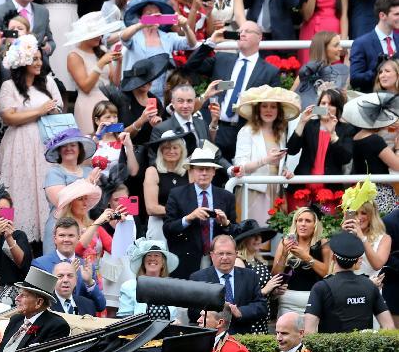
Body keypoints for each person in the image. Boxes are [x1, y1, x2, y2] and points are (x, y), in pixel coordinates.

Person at [0, 35, 63, 241]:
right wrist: (39, 111)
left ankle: (48, 235)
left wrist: (51, 111)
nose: (39, 63)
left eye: (39, 58)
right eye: (34, 59)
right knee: (21, 186)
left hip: (45, 142)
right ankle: (15, 237)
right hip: (19, 143)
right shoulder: (9, 86)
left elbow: (58, 109)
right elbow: (8, 116)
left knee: (45, 185)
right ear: (22, 62)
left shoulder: (49, 81)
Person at [182, 24, 280, 162]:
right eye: (240, 31)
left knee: (236, 176)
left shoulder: (270, 71)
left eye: (247, 31)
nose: (242, 34)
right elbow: (190, 66)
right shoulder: (222, 59)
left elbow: (273, 108)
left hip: (244, 130)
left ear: (260, 37)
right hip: (213, 127)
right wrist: (211, 42)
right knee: (209, 172)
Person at [163, 143, 236, 279]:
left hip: (217, 260)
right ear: (191, 171)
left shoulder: (226, 196)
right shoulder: (177, 194)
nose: (204, 173)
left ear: (214, 172)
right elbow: (167, 229)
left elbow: (236, 232)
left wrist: (226, 224)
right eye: (200, 169)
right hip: (186, 260)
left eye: (208, 169)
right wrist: (189, 218)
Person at [231, 86, 301, 224]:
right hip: (253, 191)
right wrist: (265, 160)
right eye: (264, 106)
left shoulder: (280, 133)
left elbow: (278, 163)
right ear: (258, 109)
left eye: (273, 107)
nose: (269, 110)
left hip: (275, 190)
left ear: (278, 111)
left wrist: (285, 171)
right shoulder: (246, 131)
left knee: (273, 235)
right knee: (255, 234)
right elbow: (239, 167)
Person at [305, 232, 394, 333]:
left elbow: (309, 331)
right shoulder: (370, 286)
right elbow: (389, 327)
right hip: (365, 347)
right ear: (357, 260)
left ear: (333, 257)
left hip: (331, 348)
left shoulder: (321, 287)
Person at [285, 90, 353, 211]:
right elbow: (291, 150)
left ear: (337, 108)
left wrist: (332, 134)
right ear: (318, 106)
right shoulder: (309, 125)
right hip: (302, 188)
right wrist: (301, 122)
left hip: (330, 190)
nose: (326, 107)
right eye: (323, 103)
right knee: (299, 225)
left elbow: (345, 158)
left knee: (328, 227)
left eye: (331, 104)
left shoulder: (346, 129)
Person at [188, 235, 267, 334]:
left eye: (229, 253)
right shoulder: (198, 278)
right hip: (211, 336)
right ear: (212, 255)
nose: (224, 258)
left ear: (236, 254)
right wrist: (221, 311)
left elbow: (261, 306)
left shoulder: (250, 276)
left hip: (242, 335)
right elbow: (193, 312)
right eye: (220, 253)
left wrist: (240, 312)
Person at [65, 13, 123, 135]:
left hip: (108, 103)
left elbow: (115, 82)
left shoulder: (102, 50)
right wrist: (100, 64)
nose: (100, 36)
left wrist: (119, 63)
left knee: (110, 140)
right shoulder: (74, 56)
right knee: (91, 141)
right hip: (88, 104)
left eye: (101, 33)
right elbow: (85, 87)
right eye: (95, 34)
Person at [43, 127, 100, 250]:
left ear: (80, 149)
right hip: (61, 229)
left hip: (84, 228)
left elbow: (93, 202)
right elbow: (61, 200)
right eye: (64, 146)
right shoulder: (54, 172)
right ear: (59, 150)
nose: (69, 148)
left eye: (73, 145)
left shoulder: (88, 171)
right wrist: (87, 182)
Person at [33, 217, 106, 312]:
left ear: (78, 238)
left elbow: (100, 306)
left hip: (82, 323)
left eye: (71, 235)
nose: (66, 239)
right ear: (55, 239)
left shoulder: (87, 266)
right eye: (62, 235)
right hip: (53, 321)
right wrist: (66, 274)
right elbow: (34, 302)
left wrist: (89, 283)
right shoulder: (39, 263)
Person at [271, 207, 333, 315]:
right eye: (300, 220)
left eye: (308, 221)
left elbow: (328, 273)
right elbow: (275, 276)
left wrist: (306, 257)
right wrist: (284, 255)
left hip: (314, 300)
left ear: (315, 225)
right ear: (295, 223)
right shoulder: (285, 242)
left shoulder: (323, 244)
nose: (303, 224)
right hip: (287, 302)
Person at [344, 92, 399, 213]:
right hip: (379, 192)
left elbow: (376, 157)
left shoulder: (358, 137)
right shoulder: (375, 140)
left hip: (362, 191)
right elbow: (397, 165)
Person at [0, 266, 69, 352]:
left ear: (39, 302)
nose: (17, 298)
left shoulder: (56, 326)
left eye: (23, 295)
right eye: (19, 294)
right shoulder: (16, 319)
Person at [232, 220, 284, 334]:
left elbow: (264, 291)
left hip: (262, 317)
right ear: (244, 240)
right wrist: (266, 289)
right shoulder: (239, 261)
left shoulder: (259, 261)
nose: (258, 240)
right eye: (253, 237)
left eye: (259, 236)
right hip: (249, 320)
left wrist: (274, 291)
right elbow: (241, 297)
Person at [117, 238, 180, 320]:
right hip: (138, 332)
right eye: (149, 255)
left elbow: (174, 317)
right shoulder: (130, 286)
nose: (152, 258)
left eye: (157, 255)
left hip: (167, 332)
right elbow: (123, 318)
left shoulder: (172, 287)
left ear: (163, 262)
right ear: (143, 262)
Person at [144, 130, 190, 241]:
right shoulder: (152, 171)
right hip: (159, 225)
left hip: (185, 225)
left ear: (182, 151)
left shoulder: (189, 171)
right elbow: (151, 208)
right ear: (160, 151)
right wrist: (181, 212)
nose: (171, 151)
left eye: (175, 148)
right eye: (167, 148)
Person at [349, 0, 399, 93]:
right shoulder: (361, 43)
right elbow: (355, 80)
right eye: (396, 14)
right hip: (374, 101)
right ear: (382, 16)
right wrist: (377, 70)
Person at [118, 54, 167, 146]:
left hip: (150, 150)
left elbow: (162, 133)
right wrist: (141, 121)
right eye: (142, 79)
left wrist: (158, 126)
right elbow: (118, 135)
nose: (146, 82)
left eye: (148, 78)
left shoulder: (155, 100)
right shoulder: (123, 99)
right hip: (128, 152)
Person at [342, 198, 392, 276]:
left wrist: (362, 237)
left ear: (372, 215)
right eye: (355, 213)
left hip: (371, 285)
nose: (359, 217)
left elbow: (377, 265)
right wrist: (344, 236)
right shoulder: (348, 235)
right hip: (349, 285)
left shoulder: (384, 238)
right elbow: (338, 264)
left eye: (364, 213)